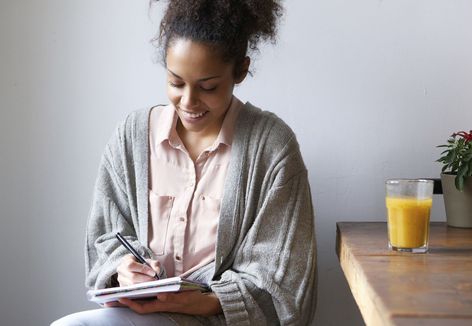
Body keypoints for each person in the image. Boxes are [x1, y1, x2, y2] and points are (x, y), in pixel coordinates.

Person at [52, 0, 317, 325]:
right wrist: (125, 270)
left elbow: (283, 283)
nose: (188, 102)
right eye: (176, 82)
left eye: (208, 87)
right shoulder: (131, 138)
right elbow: (104, 241)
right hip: (139, 316)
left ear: (241, 70)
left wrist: (205, 302)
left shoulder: (272, 148)